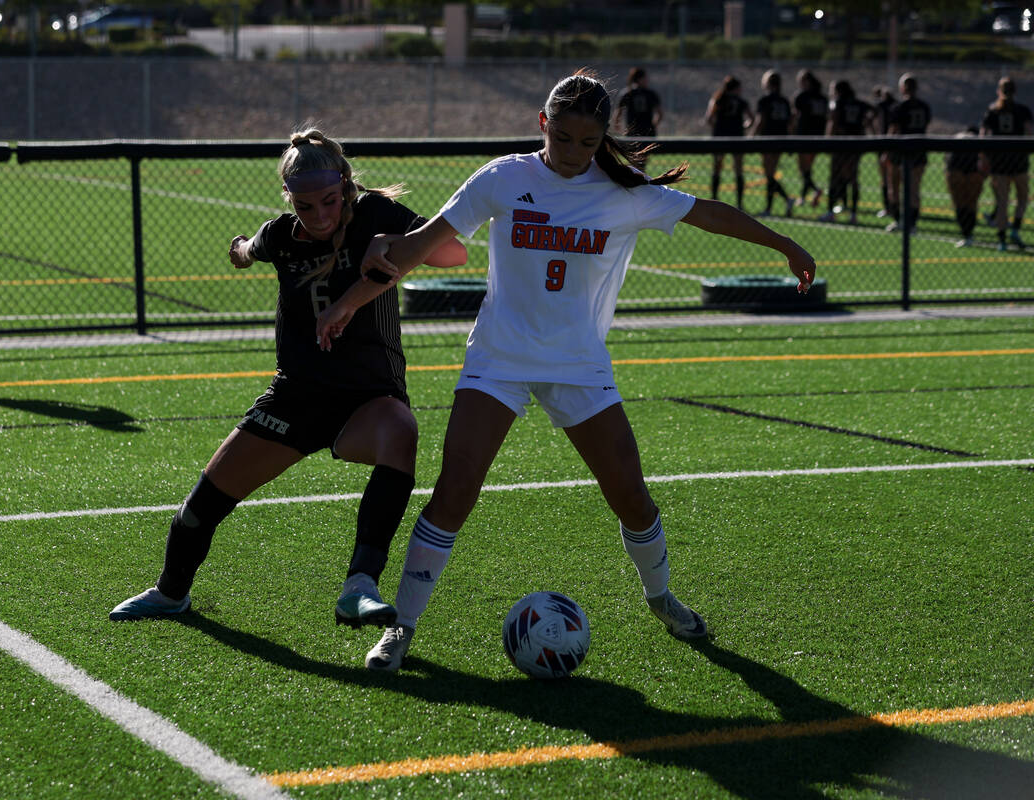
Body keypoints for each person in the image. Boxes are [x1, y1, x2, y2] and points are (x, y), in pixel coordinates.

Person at [315, 71, 816, 673]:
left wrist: (786, 244)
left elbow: (709, 213)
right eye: (564, 138)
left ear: (603, 137)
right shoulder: (504, 178)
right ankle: (403, 626)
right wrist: (345, 304)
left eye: (588, 141)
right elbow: (421, 245)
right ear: (542, 125)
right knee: (453, 493)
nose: (574, 153)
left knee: (630, 495)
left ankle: (661, 598)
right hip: (498, 358)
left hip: (579, 365)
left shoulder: (624, 194)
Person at [109, 130, 468, 631]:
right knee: (199, 509)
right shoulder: (281, 235)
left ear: (345, 184)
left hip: (369, 397)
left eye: (328, 201)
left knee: (401, 432)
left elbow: (455, 256)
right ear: (288, 199)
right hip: (296, 397)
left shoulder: (375, 215)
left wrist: (396, 244)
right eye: (304, 205)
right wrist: (240, 247)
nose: (319, 215)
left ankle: (360, 585)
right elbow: (247, 249)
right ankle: (171, 594)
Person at [980, 76, 1032, 251]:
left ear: (998, 91)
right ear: (1015, 91)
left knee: (1002, 202)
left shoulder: (993, 110)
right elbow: (1030, 132)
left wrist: (984, 158)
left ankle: (1001, 240)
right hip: (1018, 160)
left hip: (999, 161)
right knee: (1022, 197)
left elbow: (983, 135)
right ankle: (1015, 228)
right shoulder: (1022, 110)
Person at [819, 79, 874, 224]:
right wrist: (865, 128)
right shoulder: (858, 103)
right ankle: (853, 214)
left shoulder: (837, 103)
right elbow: (873, 111)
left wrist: (828, 140)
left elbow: (833, 122)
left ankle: (831, 211)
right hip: (855, 145)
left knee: (835, 178)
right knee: (853, 179)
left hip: (841, 144)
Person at [885, 73, 932, 233]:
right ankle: (911, 224)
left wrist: (887, 150)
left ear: (902, 88)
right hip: (919, 150)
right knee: (913, 190)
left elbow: (893, 130)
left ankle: (900, 220)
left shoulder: (900, 107)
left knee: (895, 188)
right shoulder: (924, 106)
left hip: (900, 151)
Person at [705, 75, 753, 209]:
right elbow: (751, 119)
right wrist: (742, 127)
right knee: (738, 170)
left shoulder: (718, 99)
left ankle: (714, 199)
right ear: (736, 88)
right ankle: (739, 203)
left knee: (717, 167)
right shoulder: (741, 101)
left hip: (720, 138)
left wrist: (719, 127)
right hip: (737, 137)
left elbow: (709, 118)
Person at [752, 70, 796, 217]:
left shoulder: (765, 100)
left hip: (768, 139)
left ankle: (783, 201)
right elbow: (790, 123)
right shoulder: (784, 101)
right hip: (780, 139)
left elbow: (760, 121)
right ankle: (771, 206)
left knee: (769, 174)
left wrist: (751, 137)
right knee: (770, 174)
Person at [945, 126, 986, 248]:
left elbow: (947, 159)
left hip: (956, 165)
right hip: (971, 167)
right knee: (971, 202)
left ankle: (966, 233)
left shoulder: (958, 137)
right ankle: (969, 234)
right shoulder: (977, 140)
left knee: (959, 202)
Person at [793, 70, 829, 208]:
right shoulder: (822, 97)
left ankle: (815, 190)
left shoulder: (802, 96)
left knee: (803, 169)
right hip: (817, 136)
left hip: (804, 135)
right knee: (808, 169)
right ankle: (802, 197)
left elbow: (795, 116)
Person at [871, 85, 898, 219]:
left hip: (885, 143)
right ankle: (892, 208)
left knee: (887, 180)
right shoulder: (896, 106)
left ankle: (889, 208)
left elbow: (870, 118)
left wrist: (873, 133)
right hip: (893, 144)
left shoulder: (882, 106)